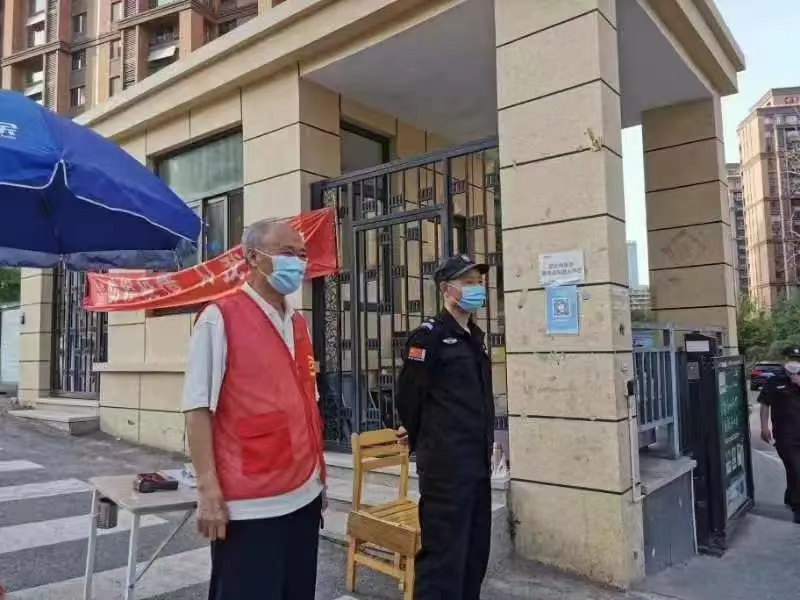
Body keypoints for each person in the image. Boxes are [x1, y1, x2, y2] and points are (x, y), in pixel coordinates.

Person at [182, 219, 327, 599]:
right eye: (286, 253)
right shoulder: (220, 317)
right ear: (252, 257)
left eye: (301, 254)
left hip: (304, 495)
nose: (297, 262)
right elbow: (197, 409)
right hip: (251, 504)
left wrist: (319, 475)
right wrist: (207, 489)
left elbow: (308, 404)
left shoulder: (298, 323)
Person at [396, 254, 495, 600]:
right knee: (443, 561)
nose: (476, 288)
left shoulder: (474, 337)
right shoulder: (429, 337)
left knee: (474, 553)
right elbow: (409, 397)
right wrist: (425, 438)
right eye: (467, 283)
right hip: (445, 468)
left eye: (478, 282)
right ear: (446, 289)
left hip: (477, 465)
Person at [758, 345, 800, 524]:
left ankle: (791, 496)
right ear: (785, 360)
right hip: (785, 435)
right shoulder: (775, 380)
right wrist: (764, 427)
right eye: (791, 358)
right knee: (797, 469)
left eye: (797, 359)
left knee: (794, 470)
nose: (794, 362)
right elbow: (765, 403)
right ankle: (798, 508)